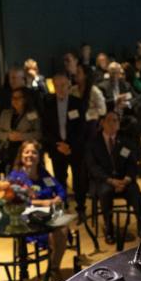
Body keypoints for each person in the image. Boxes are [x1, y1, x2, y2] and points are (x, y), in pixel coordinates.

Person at [8, 141, 67, 281]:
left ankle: (53, 268)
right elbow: (18, 200)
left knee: (61, 226)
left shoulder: (43, 173)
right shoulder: (16, 174)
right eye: (26, 152)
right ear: (21, 155)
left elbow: (60, 190)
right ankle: (53, 273)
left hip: (49, 213)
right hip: (29, 218)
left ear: (39, 156)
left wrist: (57, 199)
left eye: (34, 152)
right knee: (57, 230)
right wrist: (45, 203)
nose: (30, 155)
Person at [86, 112, 141, 244]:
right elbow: (93, 167)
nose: (111, 123)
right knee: (105, 192)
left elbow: (132, 165)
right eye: (108, 120)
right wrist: (111, 181)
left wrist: (126, 179)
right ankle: (109, 230)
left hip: (123, 180)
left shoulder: (125, 143)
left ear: (119, 124)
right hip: (104, 181)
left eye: (115, 120)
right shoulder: (93, 143)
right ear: (102, 123)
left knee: (135, 191)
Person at [41, 74, 87, 219]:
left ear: (68, 85)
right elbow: (46, 129)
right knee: (60, 179)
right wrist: (58, 145)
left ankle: (81, 208)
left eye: (62, 85)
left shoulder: (77, 103)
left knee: (79, 180)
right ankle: (63, 207)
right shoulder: (48, 105)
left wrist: (69, 145)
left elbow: (81, 128)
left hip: (75, 148)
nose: (60, 88)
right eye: (57, 86)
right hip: (57, 149)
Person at [0, 87, 42, 171]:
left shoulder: (33, 114)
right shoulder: (5, 113)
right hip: (7, 151)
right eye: (13, 98)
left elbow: (38, 133)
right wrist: (8, 136)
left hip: (25, 151)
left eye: (18, 98)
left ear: (25, 99)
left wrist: (21, 136)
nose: (15, 100)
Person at [72, 63, 106, 138]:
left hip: (90, 120)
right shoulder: (73, 90)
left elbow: (102, 110)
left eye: (78, 72)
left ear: (85, 75)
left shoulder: (94, 91)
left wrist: (87, 114)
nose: (76, 74)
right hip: (75, 118)